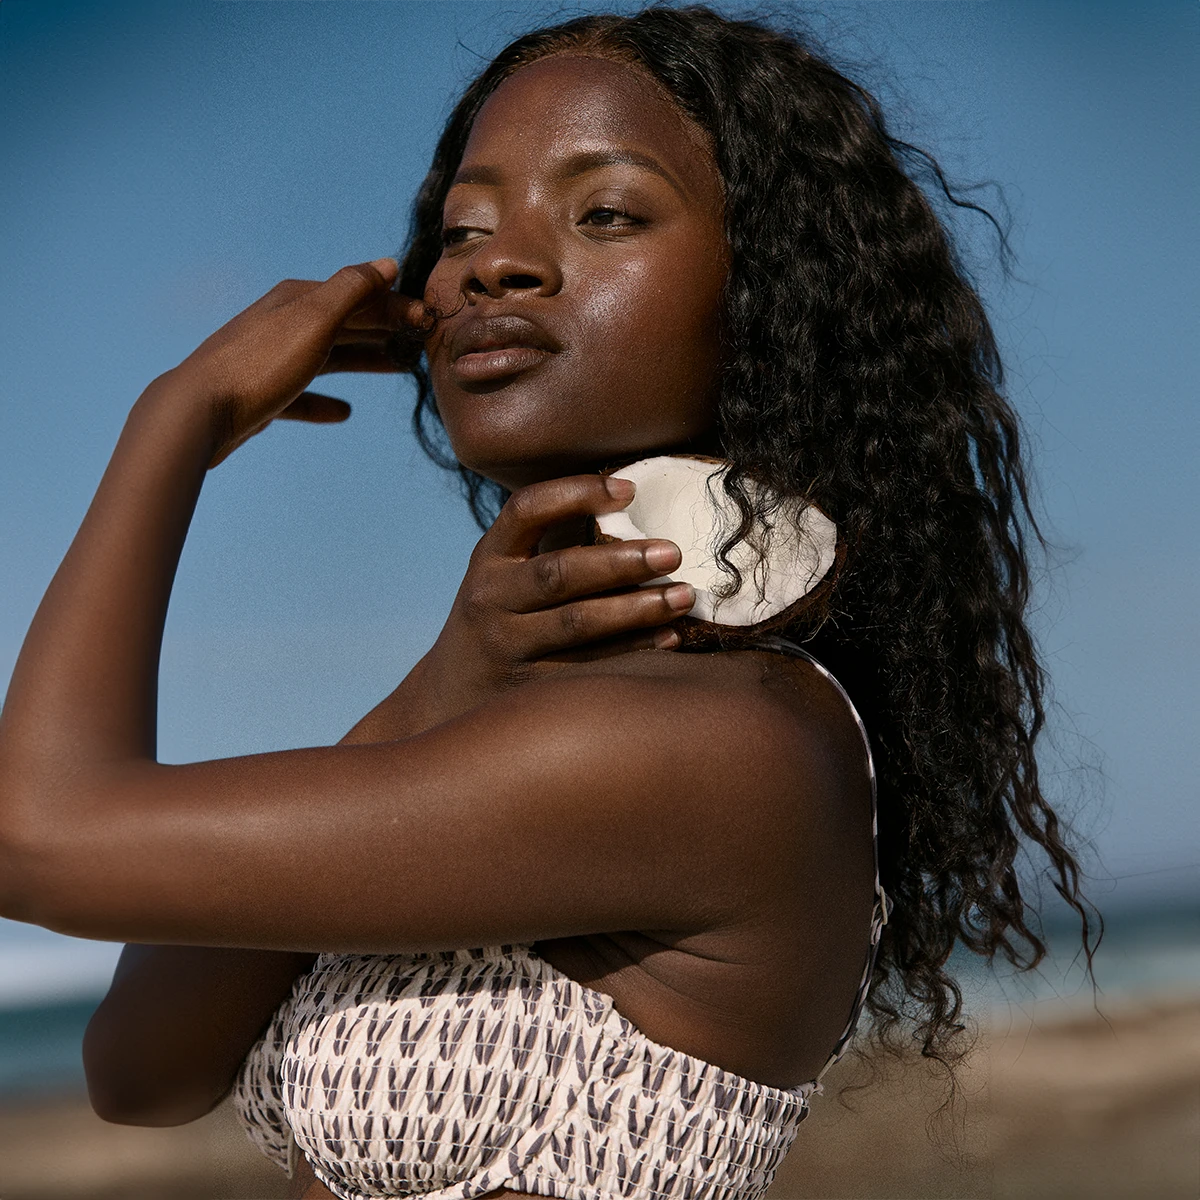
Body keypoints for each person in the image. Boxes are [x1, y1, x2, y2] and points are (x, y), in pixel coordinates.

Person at [0, 7, 1096, 1200]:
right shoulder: (533, 726)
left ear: (773, 291)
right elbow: (143, 1070)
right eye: (464, 228)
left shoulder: (716, 746)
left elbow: (33, 842)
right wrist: (445, 679)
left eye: (605, 213)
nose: (490, 263)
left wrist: (177, 421)